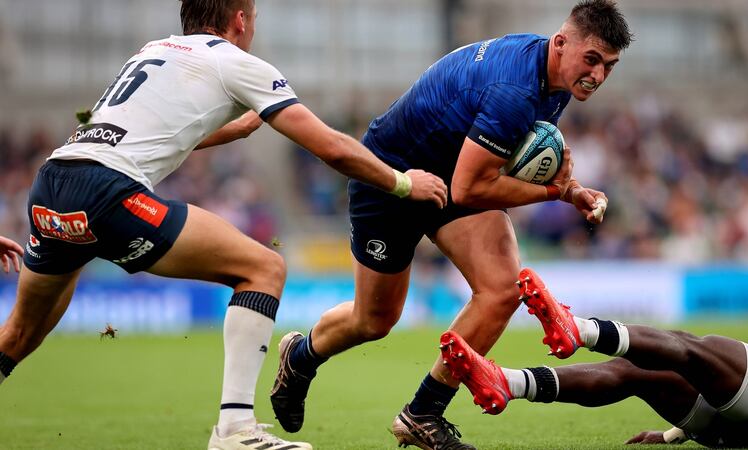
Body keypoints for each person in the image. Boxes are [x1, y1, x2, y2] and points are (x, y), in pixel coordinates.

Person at [0, 1, 448, 450]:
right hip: (106, 192)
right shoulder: (234, 60)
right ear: (240, 20)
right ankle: (235, 431)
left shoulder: (151, 51)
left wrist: (229, 132)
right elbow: (331, 148)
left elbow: (138, 132)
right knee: (264, 268)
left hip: (53, 185)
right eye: (253, 18)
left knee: (20, 332)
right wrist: (403, 183)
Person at [270, 1, 632, 448]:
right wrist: (555, 192)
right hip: (391, 179)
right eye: (591, 60)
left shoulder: (556, 78)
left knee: (502, 288)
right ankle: (300, 356)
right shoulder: (514, 91)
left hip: (449, 177)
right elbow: (472, 189)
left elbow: (506, 163)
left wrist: (572, 188)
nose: (597, 75)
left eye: (608, 67)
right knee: (375, 320)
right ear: (560, 43)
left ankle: (423, 412)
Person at [438, 267, 748, 448]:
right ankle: (510, 383)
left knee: (690, 348)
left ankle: (580, 330)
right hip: (740, 425)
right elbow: (737, 384)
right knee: (635, 370)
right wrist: (673, 435)